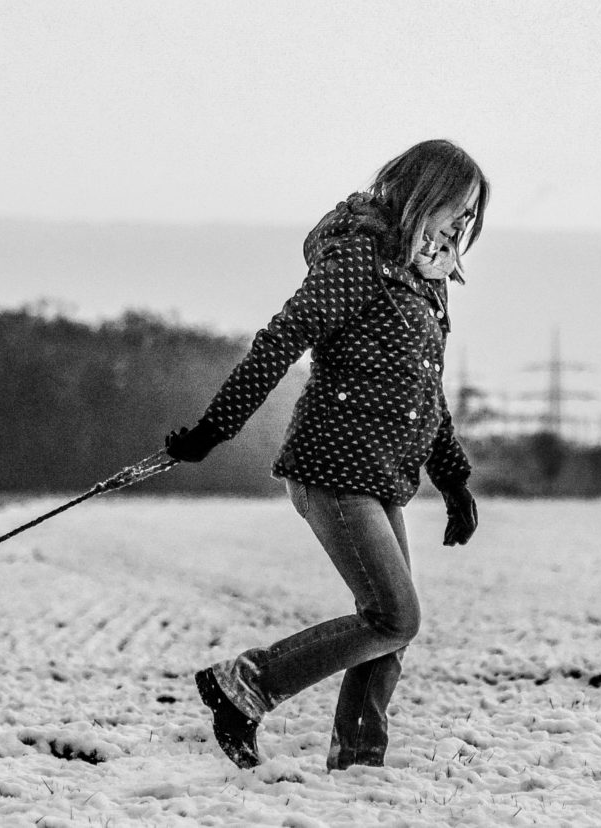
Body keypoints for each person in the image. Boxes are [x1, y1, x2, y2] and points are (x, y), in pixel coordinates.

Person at [165, 139, 487, 772]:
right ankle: (245, 685)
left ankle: (359, 765)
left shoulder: (429, 278)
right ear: (424, 192)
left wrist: (454, 482)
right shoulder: (359, 260)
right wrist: (214, 429)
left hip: (382, 475)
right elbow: (280, 340)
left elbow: (428, 392)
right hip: (332, 469)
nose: (462, 224)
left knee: (387, 631)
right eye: (458, 206)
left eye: (472, 214)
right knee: (395, 615)